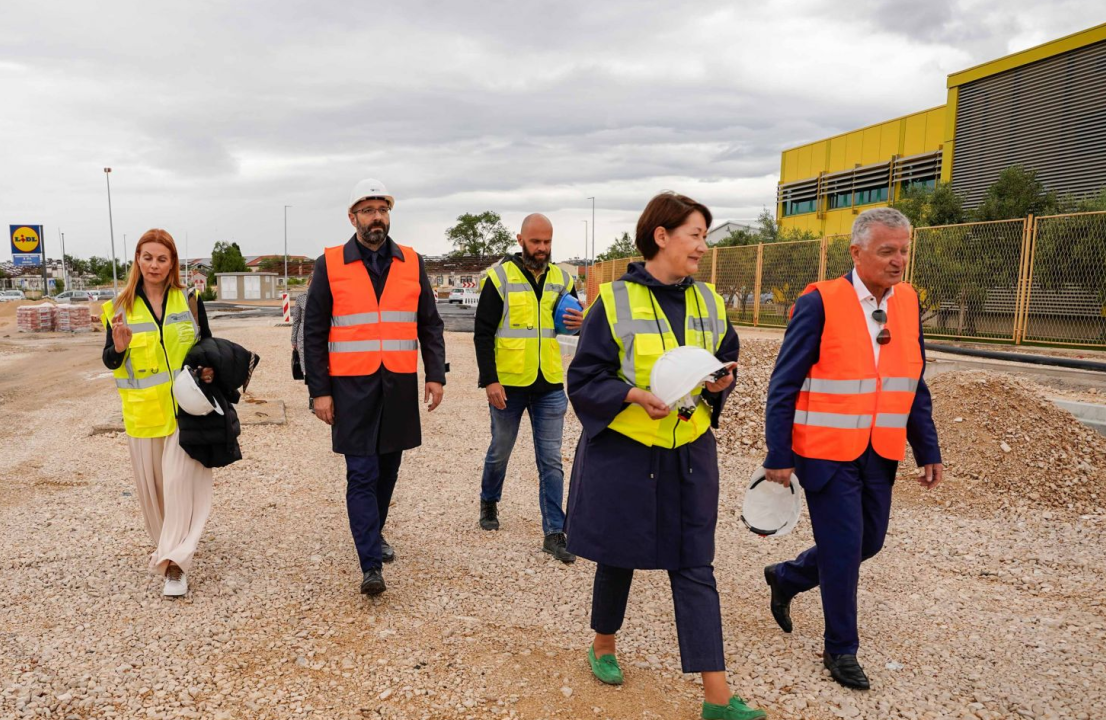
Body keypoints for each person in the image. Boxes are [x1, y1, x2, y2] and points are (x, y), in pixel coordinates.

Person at [565, 192, 764, 720]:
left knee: (694, 562)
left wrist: (723, 383)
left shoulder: (711, 302)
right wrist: (632, 395)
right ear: (661, 236)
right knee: (618, 553)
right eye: (695, 235)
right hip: (627, 452)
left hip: (690, 450)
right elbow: (583, 379)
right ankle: (603, 645)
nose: (702, 245)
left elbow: (727, 360)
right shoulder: (612, 302)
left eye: (703, 235)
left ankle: (716, 698)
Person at [761, 206, 944, 690]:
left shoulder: (906, 302)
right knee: (842, 549)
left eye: (904, 250)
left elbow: (912, 381)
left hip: (880, 450)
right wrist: (778, 453)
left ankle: (789, 577)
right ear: (857, 252)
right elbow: (784, 383)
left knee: (869, 542)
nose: (898, 260)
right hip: (825, 451)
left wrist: (927, 446)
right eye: (887, 251)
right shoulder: (820, 301)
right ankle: (841, 649)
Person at [302, 178, 447, 596]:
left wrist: (435, 374)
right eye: (367, 210)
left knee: (388, 468)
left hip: (398, 383)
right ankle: (370, 564)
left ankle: (375, 532)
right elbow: (313, 332)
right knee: (361, 472)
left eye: (382, 209)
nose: (376, 217)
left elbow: (429, 323)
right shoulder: (329, 264)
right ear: (353, 217)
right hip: (351, 387)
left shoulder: (411, 261)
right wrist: (319, 390)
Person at [101, 229, 214, 598]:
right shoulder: (118, 307)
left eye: (162, 259)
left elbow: (207, 344)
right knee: (156, 496)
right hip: (143, 415)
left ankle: (176, 565)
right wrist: (117, 348)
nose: (154, 265)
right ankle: (167, 546)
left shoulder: (190, 299)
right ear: (137, 259)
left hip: (187, 411)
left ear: (172, 264)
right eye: (147, 257)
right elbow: (110, 360)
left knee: (181, 486)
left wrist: (209, 369)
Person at [473, 213, 582, 562]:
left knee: (551, 460)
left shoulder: (563, 279)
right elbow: (483, 333)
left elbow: (570, 331)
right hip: (508, 385)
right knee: (500, 450)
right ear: (521, 240)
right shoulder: (499, 278)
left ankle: (554, 532)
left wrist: (580, 324)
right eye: (536, 242)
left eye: (547, 242)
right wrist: (490, 379)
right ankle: (489, 501)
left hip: (549, 384)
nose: (543, 248)